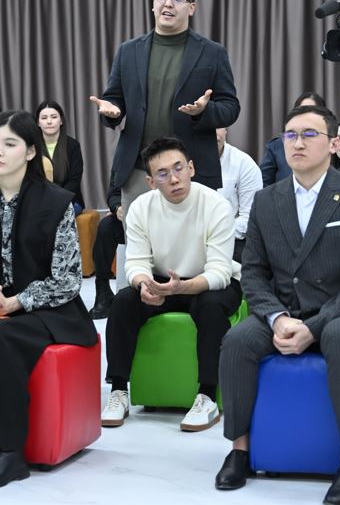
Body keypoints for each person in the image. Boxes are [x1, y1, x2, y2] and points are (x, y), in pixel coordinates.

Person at [214, 105, 340, 505]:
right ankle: (239, 449)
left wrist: (314, 327)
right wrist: (276, 319)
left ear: (334, 144)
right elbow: (253, 273)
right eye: (291, 135)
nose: (298, 143)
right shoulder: (266, 200)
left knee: (338, 336)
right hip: (285, 310)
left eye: (309, 135)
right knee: (237, 340)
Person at [0, 111, 97, 491]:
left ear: (30, 151)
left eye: (9, 144)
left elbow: (67, 280)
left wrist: (17, 303)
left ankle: (8, 452)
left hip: (51, 311)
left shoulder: (57, 202)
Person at [101, 137, 241, 432]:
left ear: (191, 168)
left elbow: (220, 272)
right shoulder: (141, 207)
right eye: (163, 174)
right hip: (163, 280)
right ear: (151, 182)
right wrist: (143, 285)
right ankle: (118, 390)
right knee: (123, 301)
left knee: (211, 306)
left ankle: (207, 395)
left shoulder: (216, 205)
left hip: (209, 282)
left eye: (179, 168)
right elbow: (136, 263)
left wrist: (183, 287)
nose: (174, 179)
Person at [90, 0, 240, 214]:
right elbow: (114, 99)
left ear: (191, 8)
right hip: (139, 171)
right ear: (153, 3)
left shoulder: (212, 53)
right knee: (140, 237)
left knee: (193, 238)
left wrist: (203, 111)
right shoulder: (129, 51)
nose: (168, 3)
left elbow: (230, 107)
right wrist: (112, 111)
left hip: (192, 170)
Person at [216, 127, 262, 262]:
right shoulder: (182, 161)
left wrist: (215, 235)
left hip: (230, 237)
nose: (213, 133)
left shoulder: (244, 164)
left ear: (226, 130)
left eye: (218, 126)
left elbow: (249, 217)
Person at [260, 91, 326, 186]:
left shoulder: (330, 143)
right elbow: (263, 184)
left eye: (311, 111)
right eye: (302, 110)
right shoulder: (277, 146)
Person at [36, 99, 86, 213]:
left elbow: (74, 181)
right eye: (44, 118)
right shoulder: (32, 147)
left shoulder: (72, 145)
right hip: (39, 200)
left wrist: (56, 200)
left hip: (69, 200)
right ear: (38, 122)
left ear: (61, 121)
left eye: (54, 117)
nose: (49, 121)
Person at [88, 183, 126, 319]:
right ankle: (103, 290)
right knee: (106, 226)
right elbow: (114, 193)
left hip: (162, 215)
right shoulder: (123, 167)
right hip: (131, 216)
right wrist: (117, 207)